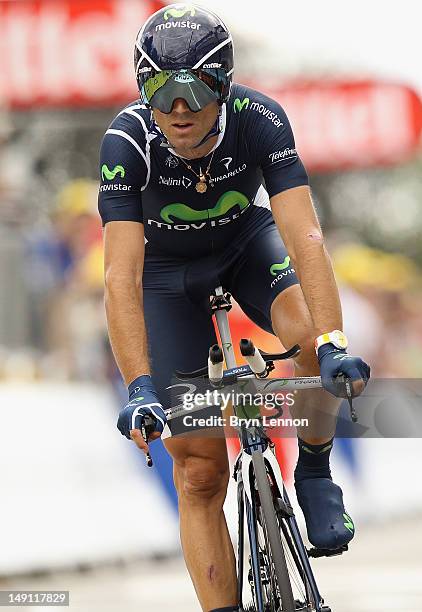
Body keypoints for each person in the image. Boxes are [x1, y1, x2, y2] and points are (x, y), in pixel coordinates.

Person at [98, 5, 370, 611]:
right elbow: (120, 275)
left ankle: (316, 471)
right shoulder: (126, 141)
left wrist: (331, 342)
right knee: (198, 471)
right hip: (166, 277)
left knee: (306, 337)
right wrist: (140, 386)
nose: (178, 107)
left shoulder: (262, 119)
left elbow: (306, 237)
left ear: (223, 84)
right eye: (160, 88)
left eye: (196, 86)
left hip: (247, 244)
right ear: (142, 89)